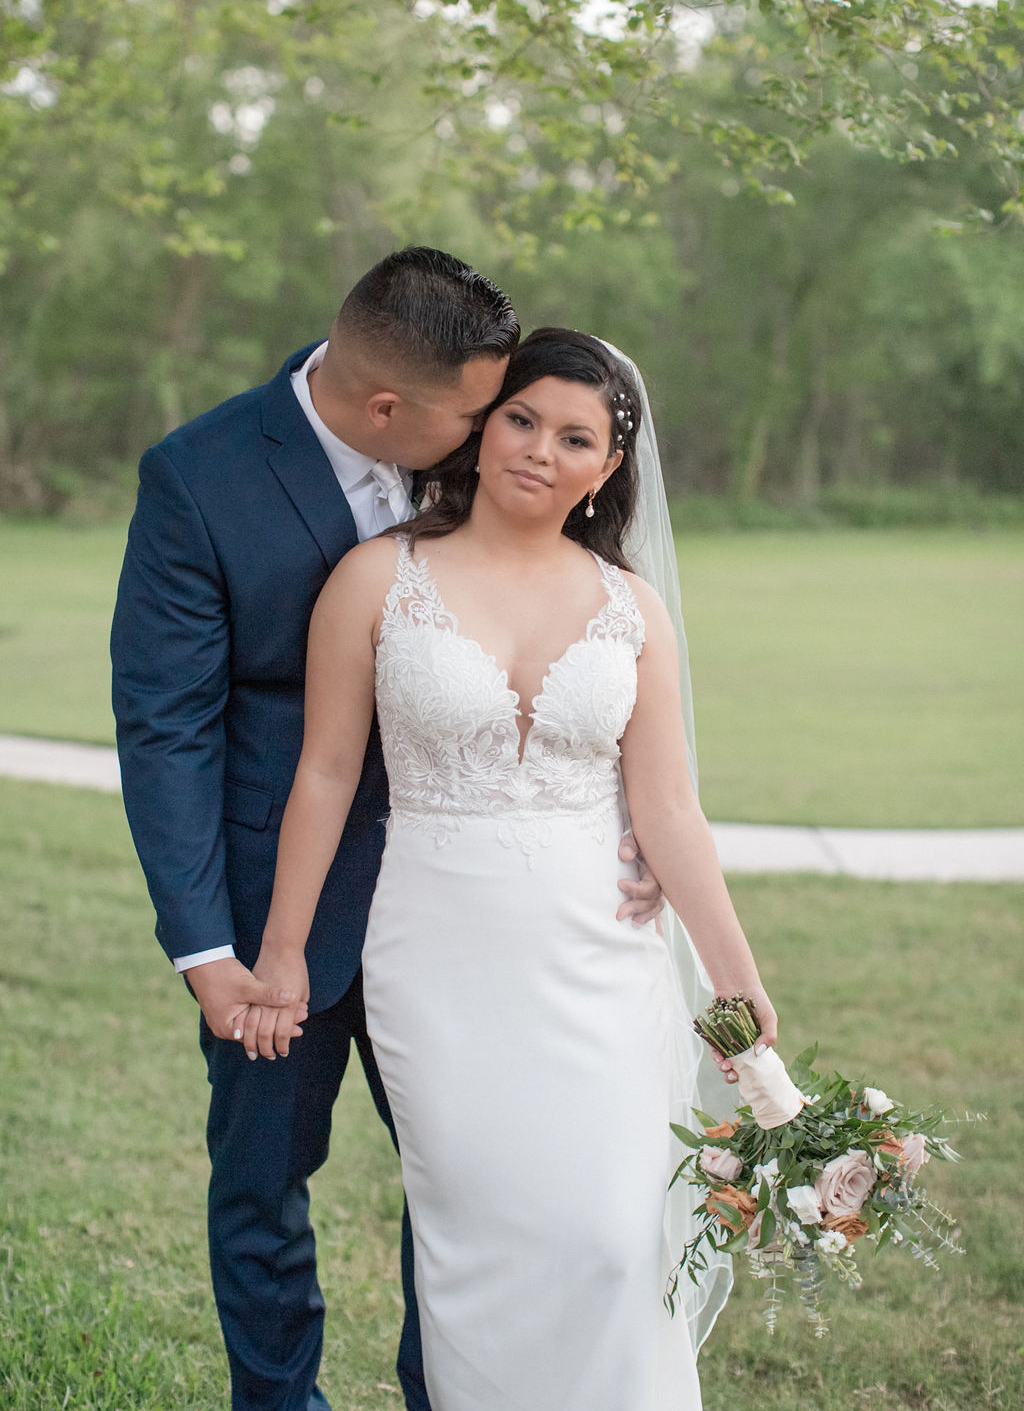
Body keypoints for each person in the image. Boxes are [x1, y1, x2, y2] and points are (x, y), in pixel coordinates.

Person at [110, 249, 663, 1411]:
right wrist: (212, 948)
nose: (500, 439)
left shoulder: (477, 440)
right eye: (482, 415)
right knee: (262, 1183)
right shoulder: (198, 476)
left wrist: (615, 829)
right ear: (386, 410)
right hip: (280, 914)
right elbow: (166, 727)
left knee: (475, 1189)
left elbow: (560, 648)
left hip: (477, 914)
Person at [242, 328, 778, 1411]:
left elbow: (669, 807)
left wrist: (735, 979)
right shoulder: (376, 578)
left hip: (602, 957)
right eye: (521, 419)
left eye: (574, 436)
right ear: (482, 430)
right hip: (436, 955)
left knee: (615, 1243)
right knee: (477, 1243)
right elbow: (328, 773)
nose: (539, 449)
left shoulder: (631, 610)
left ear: (606, 469)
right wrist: (283, 953)